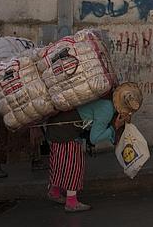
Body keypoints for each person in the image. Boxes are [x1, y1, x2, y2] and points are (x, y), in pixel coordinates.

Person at [44, 82, 143, 212]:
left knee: (60, 162)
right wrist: (115, 128)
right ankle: (71, 203)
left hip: (58, 125)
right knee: (73, 165)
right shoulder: (107, 110)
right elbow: (94, 138)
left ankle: (54, 192)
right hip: (65, 131)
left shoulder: (107, 99)